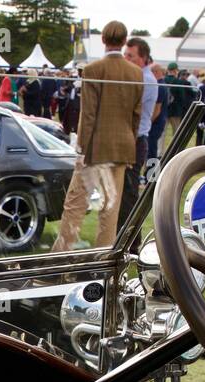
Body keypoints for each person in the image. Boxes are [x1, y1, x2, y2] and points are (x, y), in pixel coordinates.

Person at [50, 21, 141, 252]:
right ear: (124, 40)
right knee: (110, 209)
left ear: (103, 39)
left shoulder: (92, 70)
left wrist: (81, 148)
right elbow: (136, 115)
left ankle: (60, 257)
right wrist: (130, 144)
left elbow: (88, 114)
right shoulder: (135, 73)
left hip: (94, 148)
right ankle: (101, 263)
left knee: (75, 205)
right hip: (122, 147)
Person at [118, 37, 156, 226]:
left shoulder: (146, 80)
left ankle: (131, 242)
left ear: (143, 58)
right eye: (125, 54)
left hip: (135, 140)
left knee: (129, 193)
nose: (125, 58)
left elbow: (128, 111)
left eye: (130, 56)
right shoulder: (137, 77)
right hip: (130, 139)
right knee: (123, 191)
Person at [148, 63, 168, 160]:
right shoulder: (161, 84)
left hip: (156, 122)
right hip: (160, 120)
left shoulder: (159, 86)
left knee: (151, 150)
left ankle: (152, 173)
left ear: (155, 72)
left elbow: (157, 109)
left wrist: (149, 122)